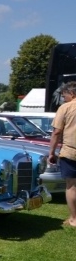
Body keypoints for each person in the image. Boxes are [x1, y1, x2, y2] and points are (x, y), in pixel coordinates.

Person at [49, 81, 76, 227]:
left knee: (71, 186)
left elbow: (56, 132)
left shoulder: (65, 108)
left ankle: (74, 219)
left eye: (64, 95)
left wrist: (51, 153)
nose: (63, 98)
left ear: (72, 93)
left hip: (71, 152)